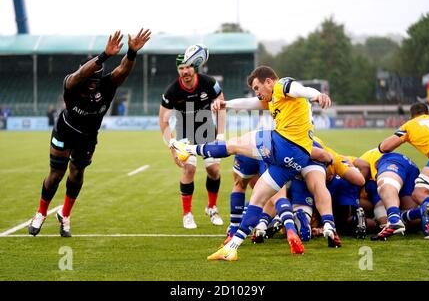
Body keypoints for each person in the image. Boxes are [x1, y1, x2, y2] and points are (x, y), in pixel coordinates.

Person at [172, 66, 334, 260]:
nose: (257, 93)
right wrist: (226, 104)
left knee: (234, 145)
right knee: (257, 198)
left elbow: (299, 88)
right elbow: (250, 103)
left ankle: (187, 149)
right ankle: (232, 248)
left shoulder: (281, 85)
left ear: (269, 82)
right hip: (296, 158)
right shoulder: (274, 99)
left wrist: (317, 95)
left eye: (258, 88)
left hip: (284, 144)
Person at [28, 28, 152, 237]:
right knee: (56, 174)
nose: (93, 85)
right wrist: (104, 56)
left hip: (87, 138)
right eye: (90, 80)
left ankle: (65, 216)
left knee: (77, 173)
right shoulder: (72, 84)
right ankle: (41, 212)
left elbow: (122, 70)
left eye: (96, 81)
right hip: (65, 131)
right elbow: (79, 75)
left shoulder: (106, 85)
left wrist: (131, 53)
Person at [159, 53, 226, 229]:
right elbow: (163, 121)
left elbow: (222, 105)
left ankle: (212, 208)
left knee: (214, 170)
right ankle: (187, 214)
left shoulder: (209, 83)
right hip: (184, 133)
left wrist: (220, 135)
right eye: (181, 68)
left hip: (208, 131)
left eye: (188, 67)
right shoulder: (172, 91)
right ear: (178, 71)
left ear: (194, 66)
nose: (185, 71)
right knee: (189, 169)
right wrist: (172, 147)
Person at [378, 102, 429, 239]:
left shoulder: (409, 125)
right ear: (427, 113)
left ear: (412, 115)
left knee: (419, 194)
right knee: (421, 192)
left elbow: (384, 147)